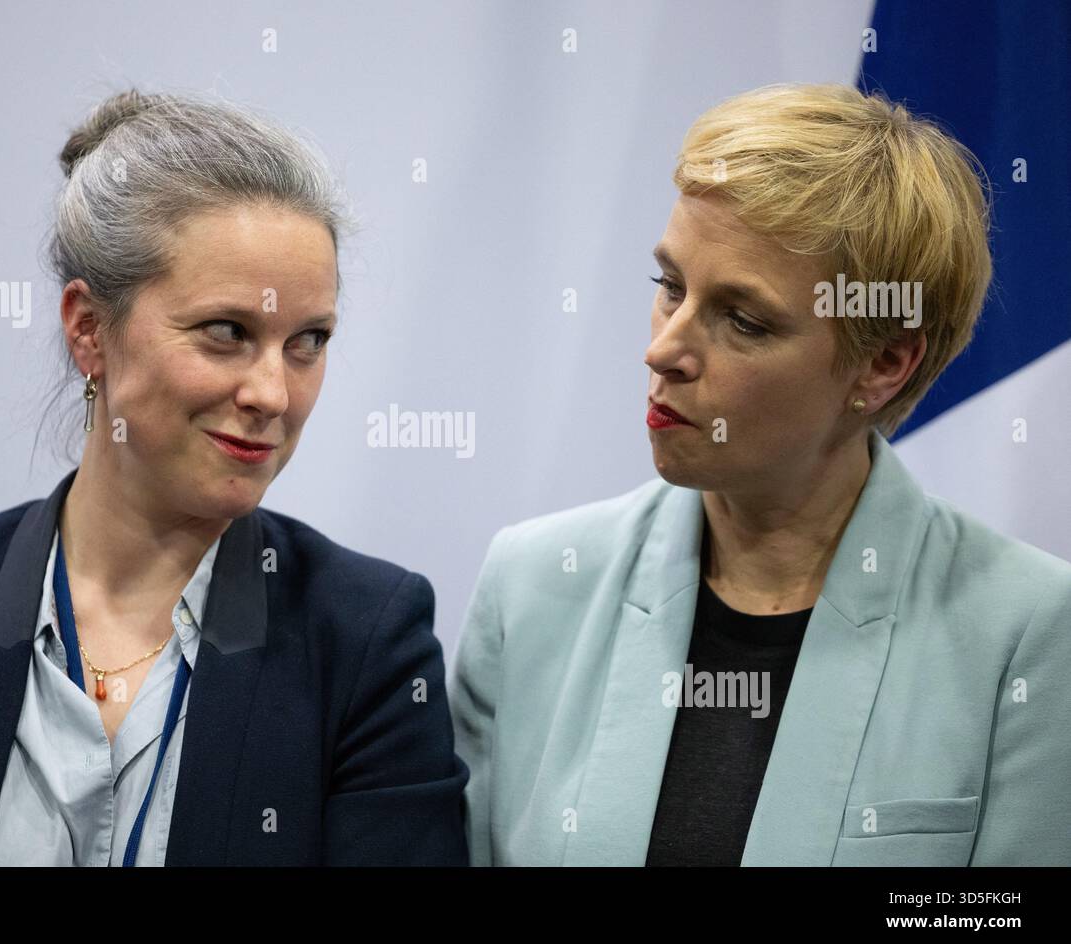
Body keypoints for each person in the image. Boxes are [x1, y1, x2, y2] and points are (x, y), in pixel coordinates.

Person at [0, 88, 468, 866]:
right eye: (227, 332)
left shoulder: (367, 642)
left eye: (308, 340)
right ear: (89, 329)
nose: (273, 393)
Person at [449, 83, 1071, 866]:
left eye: (743, 320)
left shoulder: (1032, 630)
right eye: (669, 286)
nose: (663, 349)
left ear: (882, 364)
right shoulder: (533, 584)